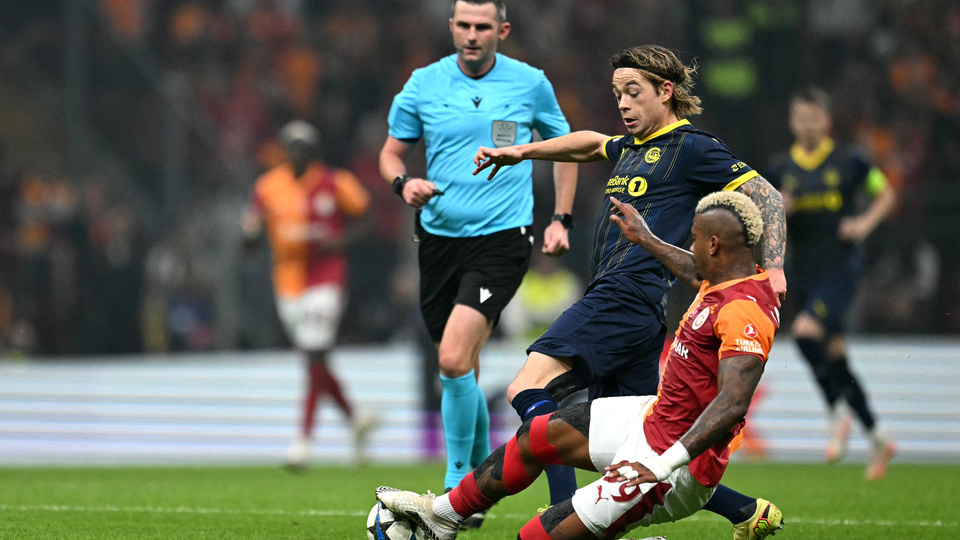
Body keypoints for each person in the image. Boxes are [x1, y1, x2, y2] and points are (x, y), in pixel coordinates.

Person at [471, 45, 786, 538]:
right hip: (641, 309)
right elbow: (588, 144)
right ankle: (744, 510)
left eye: (633, 92)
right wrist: (521, 152)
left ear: (666, 91)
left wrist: (775, 266)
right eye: (618, 93)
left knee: (528, 390)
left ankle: (556, 513)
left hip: (624, 294)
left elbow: (766, 194)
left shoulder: (692, 148)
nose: (622, 102)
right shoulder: (630, 148)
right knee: (634, 443)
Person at [376, 190, 783, 540]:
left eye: (694, 238)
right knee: (536, 436)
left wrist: (662, 464)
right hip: (651, 418)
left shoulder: (744, 312)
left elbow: (732, 404)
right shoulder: (730, 277)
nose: (690, 247)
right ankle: (442, 516)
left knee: (532, 537)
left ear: (714, 245)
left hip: (674, 468)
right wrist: (646, 239)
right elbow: (694, 270)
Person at [378, 0, 579, 514]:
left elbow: (567, 148)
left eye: (482, 26)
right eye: (463, 25)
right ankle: (479, 485)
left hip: (502, 240)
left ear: (502, 30)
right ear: (451, 27)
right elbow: (391, 153)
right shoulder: (423, 84)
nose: (471, 34)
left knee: (450, 358)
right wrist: (403, 184)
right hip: (439, 241)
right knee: (460, 365)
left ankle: (455, 487)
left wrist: (561, 218)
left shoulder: (529, 83)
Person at [765, 87, 897, 480]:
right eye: (801, 118)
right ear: (792, 122)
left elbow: (886, 194)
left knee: (806, 334)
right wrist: (778, 208)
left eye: (814, 118)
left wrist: (864, 224)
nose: (807, 125)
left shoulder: (850, 161)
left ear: (827, 121)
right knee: (836, 355)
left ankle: (835, 409)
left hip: (840, 267)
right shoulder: (779, 168)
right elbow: (762, 215)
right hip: (803, 270)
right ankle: (878, 435)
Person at [242, 120, 375, 469]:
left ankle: (303, 440)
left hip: (326, 277)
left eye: (304, 147)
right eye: (292, 146)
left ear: (314, 151)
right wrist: (250, 236)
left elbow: (369, 218)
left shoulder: (336, 182)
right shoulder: (268, 186)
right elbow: (249, 236)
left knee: (314, 353)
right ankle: (356, 419)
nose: (297, 153)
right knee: (315, 359)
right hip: (287, 282)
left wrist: (341, 241)